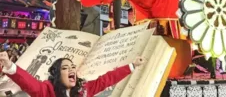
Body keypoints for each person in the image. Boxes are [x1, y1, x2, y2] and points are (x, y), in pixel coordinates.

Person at [0, 51, 144, 97]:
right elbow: (29, 83)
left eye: (72, 67)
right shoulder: (47, 91)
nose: (71, 70)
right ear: (56, 75)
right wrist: (10, 66)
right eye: (65, 68)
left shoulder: (84, 89)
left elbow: (106, 80)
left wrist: (132, 65)